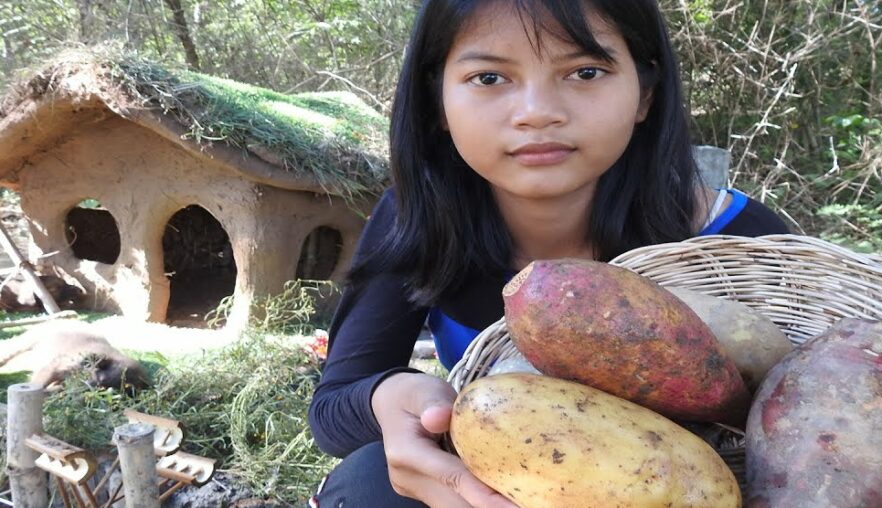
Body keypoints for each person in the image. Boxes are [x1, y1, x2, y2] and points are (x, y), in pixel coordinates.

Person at [308, 0, 790, 506]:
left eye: (585, 71)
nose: (537, 112)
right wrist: (388, 395)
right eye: (489, 78)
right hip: (526, 481)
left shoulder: (739, 240)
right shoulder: (420, 221)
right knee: (368, 480)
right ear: (438, 104)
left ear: (645, 94)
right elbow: (333, 409)